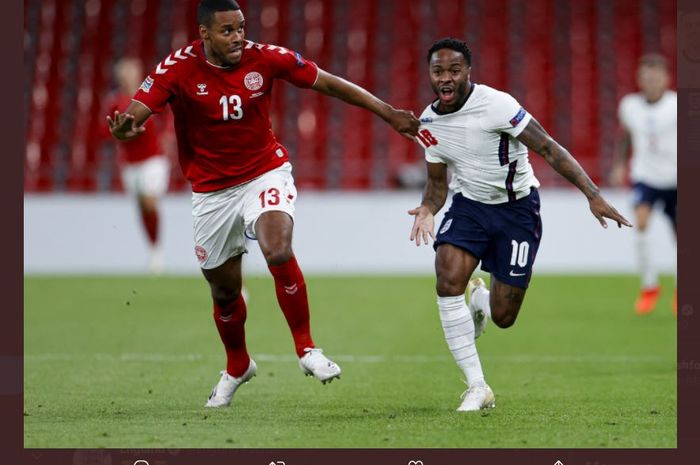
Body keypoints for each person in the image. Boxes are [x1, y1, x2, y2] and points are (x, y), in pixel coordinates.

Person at [107, 0, 420, 408]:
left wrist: (387, 112)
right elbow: (139, 109)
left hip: (264, 173)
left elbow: (328, 82)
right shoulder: (177, 68)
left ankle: (307, 349)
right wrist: (128, 127)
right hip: (211, 192)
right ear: (204, 34)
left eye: (241, 28)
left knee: (277, 248)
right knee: (224, 290)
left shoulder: (265, 58)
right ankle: (237, 366)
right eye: (227, 31)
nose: (238, 37)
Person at [408, 38, 631, 412]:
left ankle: (481, 300)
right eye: (438, 71)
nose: (445, 78)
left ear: (468, 72)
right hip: (469, 209)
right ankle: (477, 386)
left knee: (504, 317)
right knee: (447, 280)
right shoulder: (428, 123)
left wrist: (592, 195)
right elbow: (437, 187)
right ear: (430, 74)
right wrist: (428, 209)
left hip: (517, 211)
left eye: (454, 70)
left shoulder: (497, 105)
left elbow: (547, 147)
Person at [611, 54, 677, 315]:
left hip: (676, 178)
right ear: (640, 79)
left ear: (665, 79)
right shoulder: (629, 105)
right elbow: (625, 135)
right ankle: (650, 286)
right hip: (645, 176)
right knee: (641, 223)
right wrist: (619, 163)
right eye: (646, 77)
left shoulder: (677, 104)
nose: (650, 81)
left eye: (655, 76)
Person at [105, 57, 172, 274]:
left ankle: (157, 251)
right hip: (130, 162)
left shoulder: (149, 95)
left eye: (130, 72)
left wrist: (167, 135)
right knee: (142, 206)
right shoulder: (115, 101)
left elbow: (168, 115)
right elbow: (108, 130)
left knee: (149, 201)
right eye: (123, 73)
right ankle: (154, 250)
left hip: (153, 158)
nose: (127, 77)